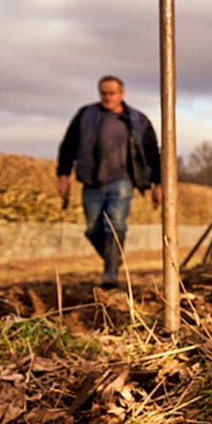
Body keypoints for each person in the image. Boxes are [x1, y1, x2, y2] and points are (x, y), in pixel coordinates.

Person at [57, 76, 162, 288]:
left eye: (111, 93)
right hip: (91, 182)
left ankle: (110, 275)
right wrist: (63, 175)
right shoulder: (85, 115)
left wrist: (158, 183)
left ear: (121, 94)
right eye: (103, 93)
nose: (107, 97)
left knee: (115, 225)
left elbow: (152, 153)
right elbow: (68, 145)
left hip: (121, 181)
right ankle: (113, 257)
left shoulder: (137, 120)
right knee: (93, 229)